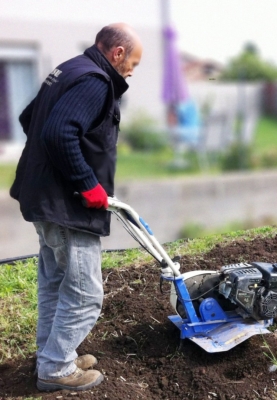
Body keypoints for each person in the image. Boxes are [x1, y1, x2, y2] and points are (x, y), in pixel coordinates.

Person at [9, 23, 142, 392]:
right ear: (117, 53)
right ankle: (55, 370)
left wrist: (50, 167)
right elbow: (56, 132)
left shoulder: (68, 69)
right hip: (66, 205)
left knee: (56, 281)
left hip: (43, 197)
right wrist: (85, 183)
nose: (132, 70)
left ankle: (52, 355)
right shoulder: (95, 81)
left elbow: (29, 119)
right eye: (133, 62)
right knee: (84, 293)